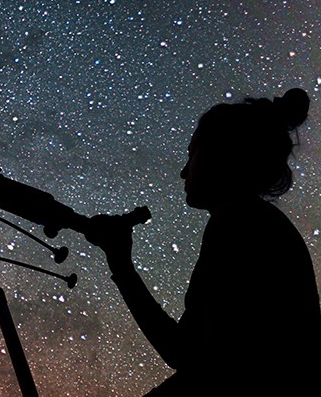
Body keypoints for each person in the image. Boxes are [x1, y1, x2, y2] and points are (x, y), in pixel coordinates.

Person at [85, 88, 321, 396]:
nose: (183, 171)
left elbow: (187, 354)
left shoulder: (238, 224)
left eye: (192, 153)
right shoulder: (255, 222)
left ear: (221, 156)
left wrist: (120, 263)